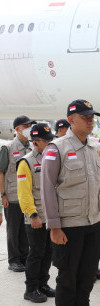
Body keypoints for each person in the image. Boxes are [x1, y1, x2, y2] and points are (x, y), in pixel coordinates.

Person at [40, 99, 100, 306]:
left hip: (93, 224)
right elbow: (47, 188)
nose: (90, 121)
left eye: (91, 118)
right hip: (69, 227)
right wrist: (54, 226)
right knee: (67, 280)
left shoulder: (97, 148)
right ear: (71, 119)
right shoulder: (56, 148)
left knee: (87, 279)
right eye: (85, 117)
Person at [17, 123, 56, 303]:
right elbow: (24, 193)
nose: (49, 143)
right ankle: (31, 288)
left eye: (50, 140)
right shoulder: (26, 162)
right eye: (45, 141)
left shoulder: (52, 157)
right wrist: (32, 215)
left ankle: (43, 284)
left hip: (50, 216)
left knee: (48, 252)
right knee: (36, 253)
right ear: (35, 142)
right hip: (36, 216)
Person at [0, 115, 35, 272]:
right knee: (14, 229)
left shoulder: (32, 147)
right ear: (17, 129)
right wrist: (3, 195)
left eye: (30, 125)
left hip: (28, 195)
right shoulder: (7, 148)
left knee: (26, 229)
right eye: (25, 126)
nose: (29, 128)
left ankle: (24, 256)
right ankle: (14, 259)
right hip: (13, 195)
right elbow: (1, 172)